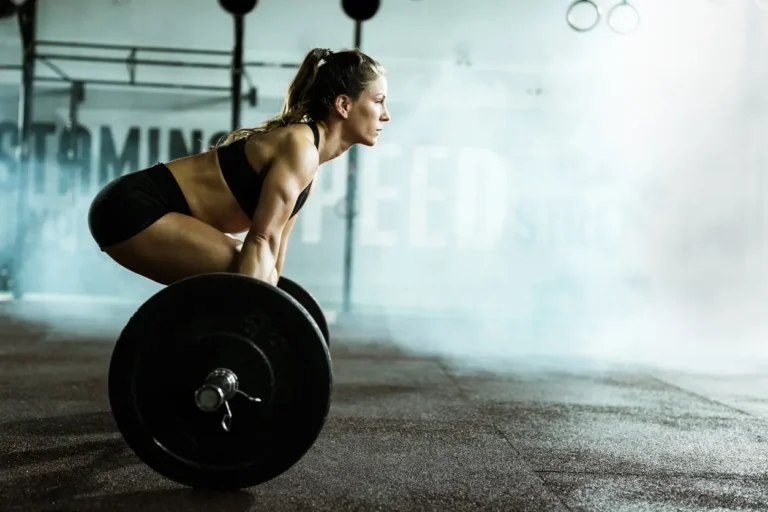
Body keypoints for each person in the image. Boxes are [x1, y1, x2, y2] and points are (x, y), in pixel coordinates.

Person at [88, 47, 391, 287]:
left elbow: (274, 258)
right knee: (241, 267)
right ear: (343, 105)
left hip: (135, 207)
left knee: (261, 274)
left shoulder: (308, 159)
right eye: (378, 101)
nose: (385, 115)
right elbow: (259, 241)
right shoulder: (300, 148)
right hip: (130, 207)